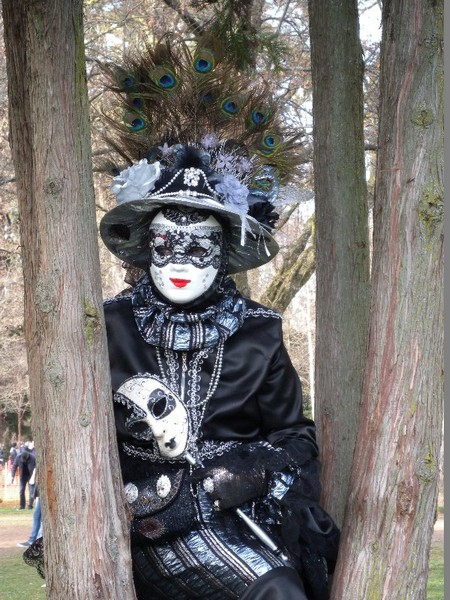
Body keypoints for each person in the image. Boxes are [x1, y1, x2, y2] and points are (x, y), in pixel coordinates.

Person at [97, 35, 340, 600]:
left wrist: (242, 473)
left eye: (198, 245)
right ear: (145, 244)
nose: (180, 259)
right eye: (166, 241)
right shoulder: (107, 327)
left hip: (239, 522)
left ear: (226, 249)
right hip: (136, 529)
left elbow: (296, 436)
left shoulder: (258, 330)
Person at [17, 470, 43, 548]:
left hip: (45, 493)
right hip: (40, 492)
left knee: (41, 518)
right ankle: (33, 540)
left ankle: (38, 541)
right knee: (37, 515)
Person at [11, 440, 36, 510]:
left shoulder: (32, 458)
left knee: (31, 492)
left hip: (31, 476)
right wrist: (12, 476)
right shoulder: (18, 457)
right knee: (21, 491)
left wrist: (35, 477)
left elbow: (36, 468)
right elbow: (14, 466)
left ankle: (30, 505)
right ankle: (22, 506)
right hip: (23, 476)